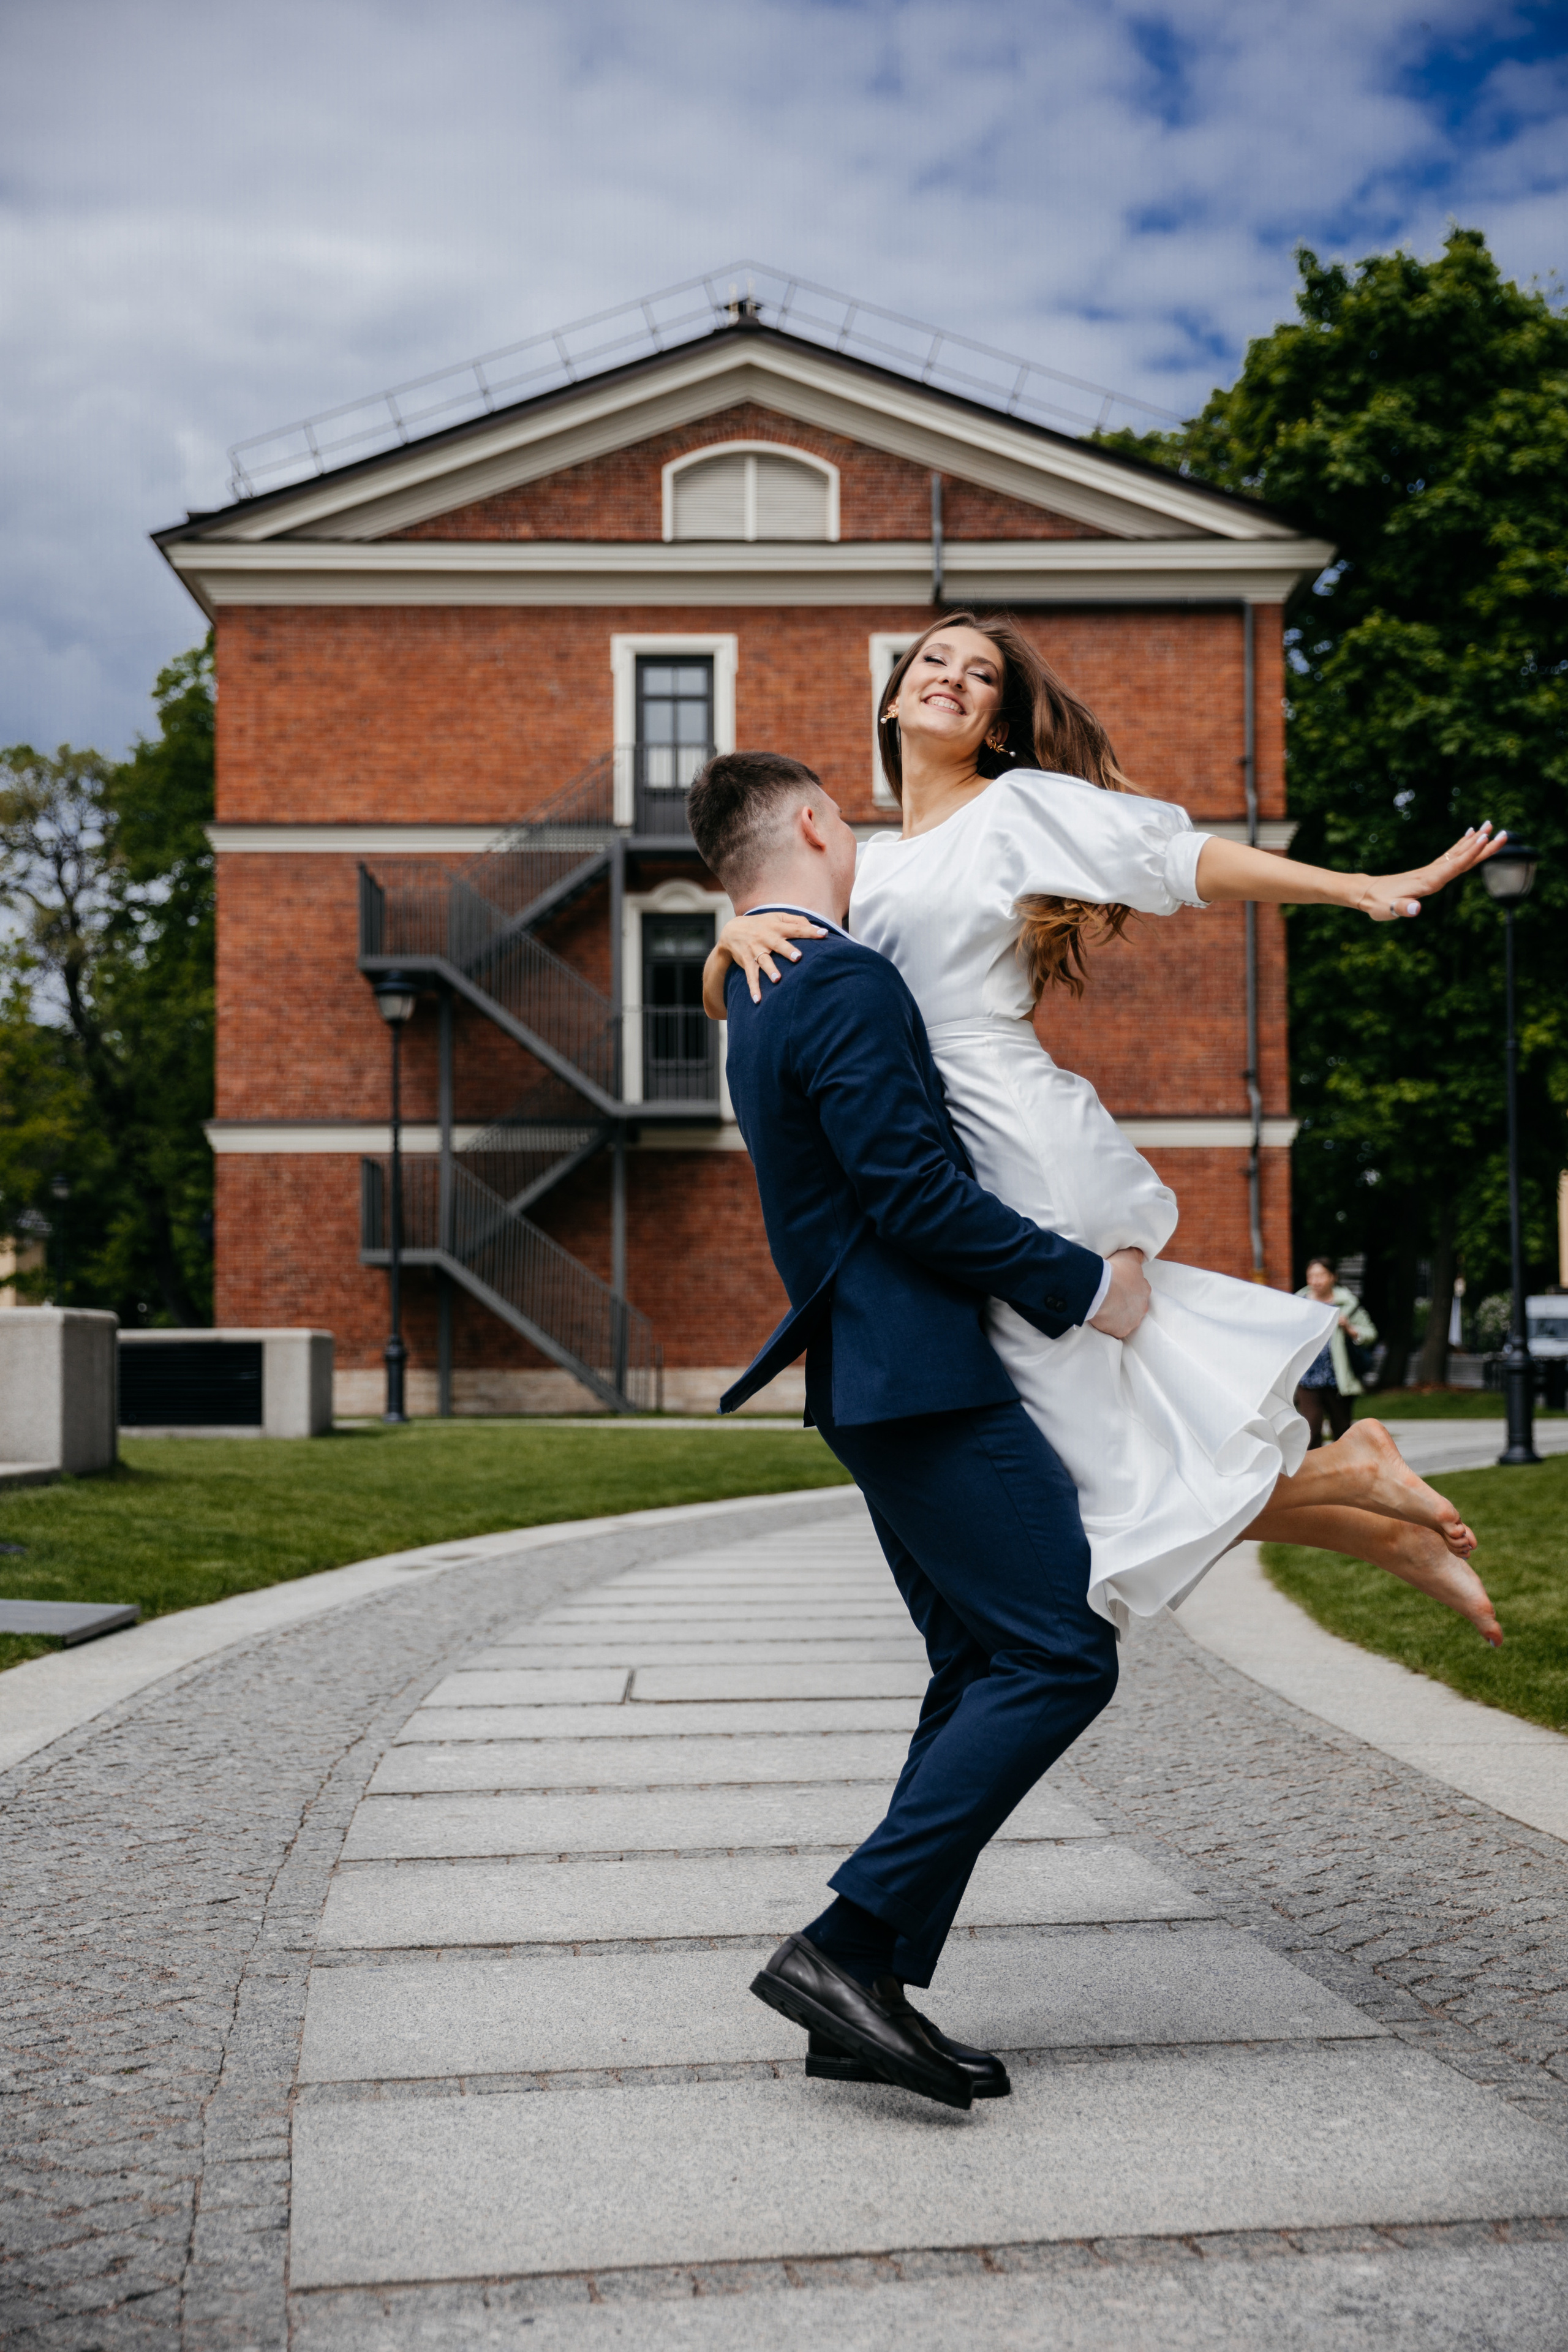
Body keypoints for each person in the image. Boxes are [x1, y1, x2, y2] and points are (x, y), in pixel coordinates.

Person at [704, 612, 1502, 1653]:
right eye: (932, 661)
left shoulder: (1019, 807)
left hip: (1010, 1142)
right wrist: (726, 950)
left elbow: (1177, 858)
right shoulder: (871, 869)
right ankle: (1357, 1502)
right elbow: (805, 1010)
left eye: (982, 674)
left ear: (996, 723)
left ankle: (1353, 1490)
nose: (953, 677)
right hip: (958, 1166)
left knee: (1086, 1477)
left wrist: (1351, 886)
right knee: (1092, 1460)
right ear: (893, 699)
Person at [686, 749, 1152, 2112]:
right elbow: (909, 1193)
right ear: (823, 824)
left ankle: (863, 1990)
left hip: (873, 1380)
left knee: (972, 1666)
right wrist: (1084, 1291)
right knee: (1059, 1655)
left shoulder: (760, 984)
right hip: (921, 1378)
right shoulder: (834, 976)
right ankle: (837, 1946)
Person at [1295, 1257, 1377, 1445]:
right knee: (1310, 1430)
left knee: (1342, 1431)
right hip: (1307, 1378)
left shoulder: (1348, 1304)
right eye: (1311, 1276)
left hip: (1337, 1379)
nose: (1316, 1281)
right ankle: (1315, 1473)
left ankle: (1342, 1472)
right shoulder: (1298, 1304)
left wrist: (1349, 1328)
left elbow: (1371, 1333)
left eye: (1321, 1275)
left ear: (1333, 1277)